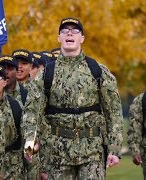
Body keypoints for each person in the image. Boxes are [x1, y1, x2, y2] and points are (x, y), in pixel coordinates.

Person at [28, 17, 123, 179]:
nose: (69, 33)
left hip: (91, 152)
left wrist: (114, 149)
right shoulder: (46, 74)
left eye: (75, 30)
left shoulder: (98, 71)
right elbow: (32, 113)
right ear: (59, 38)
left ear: (82, 38)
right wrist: (29, 145)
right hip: (57, 153)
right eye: (65, 30)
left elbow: (113, 112)